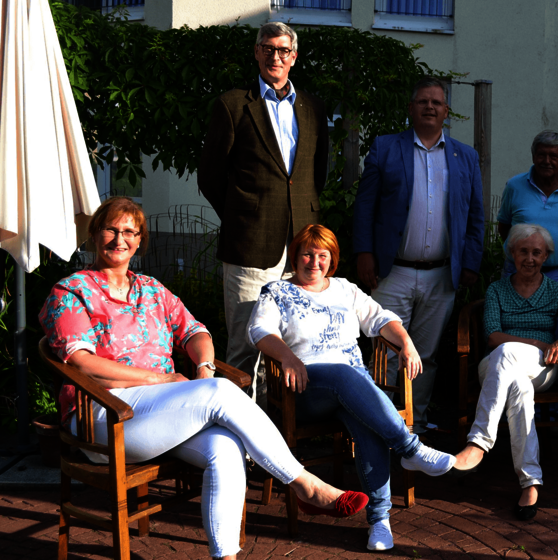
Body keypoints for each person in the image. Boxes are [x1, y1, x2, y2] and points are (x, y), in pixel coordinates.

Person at [38, 198, 367, 560]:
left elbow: (196, 333)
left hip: (162, 412)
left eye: (129, 231)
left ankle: (225, 556)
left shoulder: (151, 289)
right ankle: (305, 485)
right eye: (111, 230)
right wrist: (159, 380)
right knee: (219, 393)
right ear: (94, 233)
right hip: (105, 414)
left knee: (225, 447)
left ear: (140, 239)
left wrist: (203, 369)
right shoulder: (71, 291)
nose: (120, 239)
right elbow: (82, 362)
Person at [247, 224, 457, 551]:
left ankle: (380, 520)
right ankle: (410, 449)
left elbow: (381, 319)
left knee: (366, 420)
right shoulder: (277, 292)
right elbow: (259, 330)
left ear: (332, 259)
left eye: (322, 255)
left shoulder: (345, 289)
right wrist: (287, 357)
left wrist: (406, 342)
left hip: (352, 389)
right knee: (346, 376)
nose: (314, 262)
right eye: (307, 254)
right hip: (306, 387)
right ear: (295, 256)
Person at [198, 22, 329, 401]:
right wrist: (242, 217)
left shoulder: (312, 108)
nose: (276, 56)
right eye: (268, 48)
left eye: (283, 50)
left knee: (293, 344)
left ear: (294, 57)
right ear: (257, 53)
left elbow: (316, 174)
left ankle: (281, 427)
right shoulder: (232, 105)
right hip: (249, 247)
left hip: (301, 247)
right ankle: (240, 432)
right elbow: (210, 176)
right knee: (245, 348)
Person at [352, 76, 485, 434]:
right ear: (411, 108)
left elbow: (475, 214)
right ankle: (379, 424)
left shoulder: (465, 157)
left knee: (425, 355)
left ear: (446, 111)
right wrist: (364, 252)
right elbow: (365, 206)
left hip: (441, 275)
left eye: (436, 102)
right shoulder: (385, 147)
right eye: (423, 101)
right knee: (384, 353)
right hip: (392, 272)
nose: (430, 107)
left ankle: (416, 424)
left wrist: (470, 262)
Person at [452, 224, 558, 521]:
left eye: (536, 252)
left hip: (540, 367)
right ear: (512, 254)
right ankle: (530, 482)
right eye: (523, 251)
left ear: (545, 257)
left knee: (514, 364)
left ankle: (478, 443)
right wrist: (537, 343)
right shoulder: (497, 289)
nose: (529, 258)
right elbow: (493, 336)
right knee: (516, 381)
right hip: (495, 366)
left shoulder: (554, 290)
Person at [497, 130, 558, 292]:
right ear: (533, 156)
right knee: (513, 309)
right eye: (541, 155)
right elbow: (504, 226)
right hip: (518, 272)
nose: (547, 161)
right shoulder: (514, 186)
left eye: (553, 156)